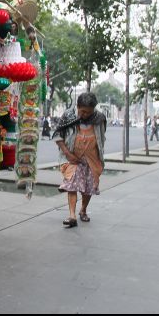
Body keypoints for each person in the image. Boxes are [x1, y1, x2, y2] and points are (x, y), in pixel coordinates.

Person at [53, 92, 106, 228]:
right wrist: (67, 153)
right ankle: (72, 215)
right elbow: (58, 135)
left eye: (89, 112)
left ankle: (83, 210)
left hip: (92, 159)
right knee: (72, 184)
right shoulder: (68, 115)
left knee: (88, 188)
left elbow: (101, 136)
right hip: (72, 158)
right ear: (77, 106)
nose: (86, 115)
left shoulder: (100, 118)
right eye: (83, 111)